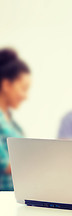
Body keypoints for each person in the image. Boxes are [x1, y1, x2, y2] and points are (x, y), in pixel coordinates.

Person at [0, 48, 31, 191]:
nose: (26, 96)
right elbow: (4, 164)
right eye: (24, 89)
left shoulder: (11, 121)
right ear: (6, 85)